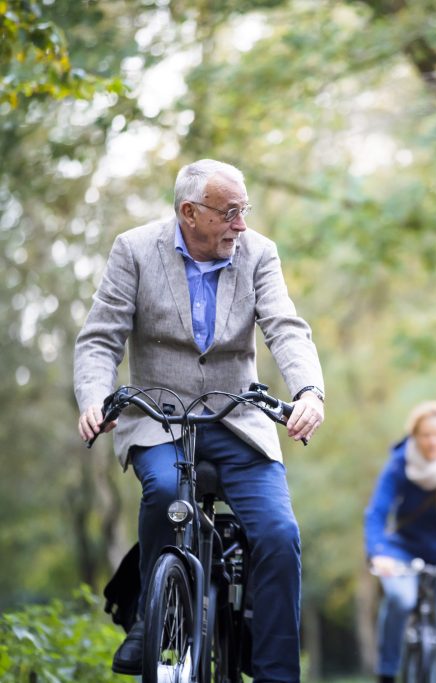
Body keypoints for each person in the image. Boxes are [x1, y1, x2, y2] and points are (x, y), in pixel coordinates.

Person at [74, 159, 325, 682]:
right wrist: (95, 399)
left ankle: (277, 673)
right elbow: (101, 338)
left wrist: (308, 392)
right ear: (190, 212)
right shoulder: (135, 250)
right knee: (164, 492)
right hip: (158, 419)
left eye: (244, 211)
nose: (241, 224)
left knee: (278, 534)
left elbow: (285, 328)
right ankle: (150, 614)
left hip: (238, 419)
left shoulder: (258, 253)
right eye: (230, 212)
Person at [364, 401, 436, 683]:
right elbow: (376, 513)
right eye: (425, 435)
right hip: (403, 550)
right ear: (415, 436)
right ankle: (387, 673)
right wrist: (378, 553)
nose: (432, 441)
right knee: (400, 599)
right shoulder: (400, 463)